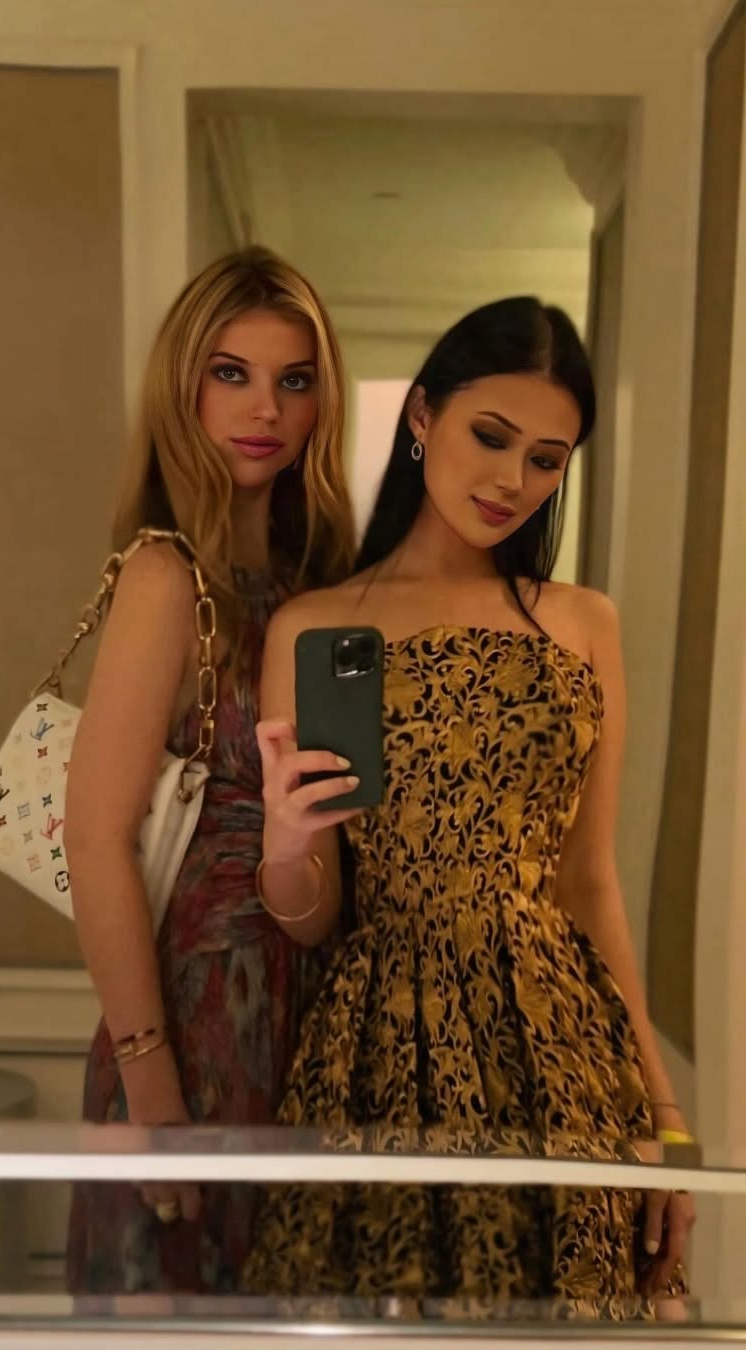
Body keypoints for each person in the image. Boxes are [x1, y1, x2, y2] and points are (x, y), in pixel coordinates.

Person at [240, 297, 695, 1316]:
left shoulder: (583, 623)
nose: (512, 481)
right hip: (380, 1041)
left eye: (546, 459)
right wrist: (288, 840)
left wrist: (664, 1121)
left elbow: (590, 884)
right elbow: (311, 917)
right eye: (491, 436)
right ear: (422, 416)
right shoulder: (317, 627)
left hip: (558, 1047)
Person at [64, 247, 356, 1293]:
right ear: (183, 388)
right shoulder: (166, 572)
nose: (265, 408)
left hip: (307, 1002)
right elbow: (93, 836)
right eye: (231, 373)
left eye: (294, 379)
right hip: (193, 1016)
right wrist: (151, 1085)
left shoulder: (318, 581)